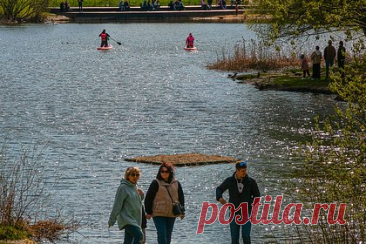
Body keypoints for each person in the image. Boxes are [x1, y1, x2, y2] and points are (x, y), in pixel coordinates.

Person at [216, 161, 260, 244]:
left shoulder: (251, 182)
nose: (244, 172)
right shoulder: (229, 181)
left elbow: (257, 196)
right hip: (234, 212)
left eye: (245, 170)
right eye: (242, 171)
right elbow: (219, 189)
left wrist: (249, 204)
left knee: (246, 237)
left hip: (246, 213)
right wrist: (219, 198)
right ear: (237, 170)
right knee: (234, 238)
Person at [144, 162, 185, 244]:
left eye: (166, 172)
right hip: (158, 213)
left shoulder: (176, 183)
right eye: (162, 171)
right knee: (162, 233)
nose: (164, 173)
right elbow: (148, 198)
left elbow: (181, 198)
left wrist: (182, 211)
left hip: (171, 213)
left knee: (168, 234)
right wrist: (148, 212)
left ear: (170, 172)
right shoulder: (156, 183)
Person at [108, 167, 144, 244]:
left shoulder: (135, 187)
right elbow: (117, 205)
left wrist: (141, 196)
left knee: (128, 241)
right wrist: (112, 220)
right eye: (133, 175)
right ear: (128, 176)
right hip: (126, 219)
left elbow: (135, 202)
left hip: (135, 219)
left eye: (137, 175)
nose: (135, 177)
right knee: (139, 235)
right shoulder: (123, 188)